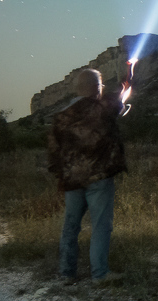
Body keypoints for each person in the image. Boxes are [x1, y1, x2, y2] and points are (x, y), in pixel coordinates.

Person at [45, 67, 128, 283]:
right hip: (99, 177)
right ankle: (100, 274)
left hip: (72, 180)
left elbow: (53, 152)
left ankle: (66, 273)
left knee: (71, 227)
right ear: (96, 88)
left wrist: (62, 176)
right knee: (101, 225)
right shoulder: (103, 108)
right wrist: (126, 81)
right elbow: (120, 102)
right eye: (100, 86)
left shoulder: (60, 117)